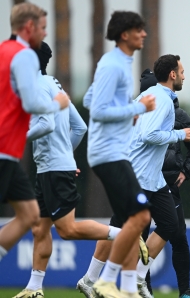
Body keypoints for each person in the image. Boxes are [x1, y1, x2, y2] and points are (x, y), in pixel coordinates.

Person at [11, 41, 128, 298]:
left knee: (67, 229)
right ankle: (34, 288)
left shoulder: (38, 87)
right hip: (51, 167)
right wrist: (68, 157)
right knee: (40, 229)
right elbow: (80, 128)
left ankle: (125, 234)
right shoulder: (52, 85)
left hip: (53, 169)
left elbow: (45, 123)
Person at [78, 55, 190, 298]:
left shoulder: (150, 96)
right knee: (119, 227)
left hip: (152, 179)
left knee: (169, 224)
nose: (185, 75)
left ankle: (137, 278)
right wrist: (180, 135)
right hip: (137, 177)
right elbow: (148, 134)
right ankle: (90, 279)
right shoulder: (162, 100)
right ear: (173, 75)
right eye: (182, 71)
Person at [83, 11, 156, 298]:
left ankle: (127, 290)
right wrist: (137, 109)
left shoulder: (116, 63)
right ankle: (105, 280)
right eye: (139, 30)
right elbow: (98, 110)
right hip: (109, 154)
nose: (144, 34)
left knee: (130, 222)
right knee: (141, 217)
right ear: (125, 34)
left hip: (113, 152)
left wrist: (126, 114)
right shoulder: (114, 65)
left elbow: (90, 98)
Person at [0, 2, 69, 264]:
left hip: (8, 150)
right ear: (29, 27)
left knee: (30, 215)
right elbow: (31, 103)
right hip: (4, 148)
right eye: (42, 28)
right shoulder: (26, 54)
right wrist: (57, 105)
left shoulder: (3, 49)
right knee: (29, 217)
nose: (45, 34)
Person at [139, 68, 190, 298]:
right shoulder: (137, 113)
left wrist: (186, 170)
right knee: (139, 239)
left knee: (177, 235)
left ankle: (184, 291)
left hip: (166, 183)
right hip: (140, 182)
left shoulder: (175, 113)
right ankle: (143, 289)